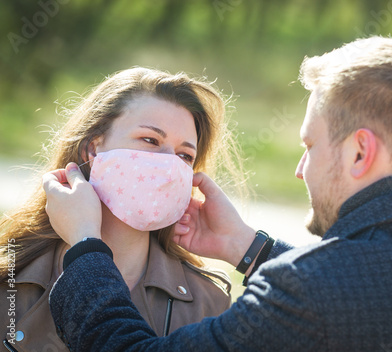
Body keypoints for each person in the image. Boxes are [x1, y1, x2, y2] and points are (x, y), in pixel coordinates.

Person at [47, 34, 392, 351]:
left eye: (309, 145)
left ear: (361, 152)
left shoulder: (306, 292)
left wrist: (86, 246)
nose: (301, 170)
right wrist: (247, 246)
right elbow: (383, 283)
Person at [0, 67, 246, 351]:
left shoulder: (209, 301)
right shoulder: (11, 279)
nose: (168, 167)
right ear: (93, 149)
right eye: (151, 140)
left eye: (184, 155)